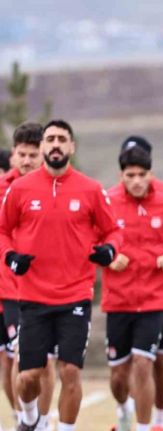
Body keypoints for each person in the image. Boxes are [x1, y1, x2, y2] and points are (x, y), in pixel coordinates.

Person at [0, 119, 123, 431]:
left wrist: (109, 250)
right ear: (43, 146)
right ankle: (29, 419)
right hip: (32, 296)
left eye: (62, 139)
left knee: (70, 371)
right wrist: (10, 256)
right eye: (50, 139)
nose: (56, 144)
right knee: (28, 376)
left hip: (75, 296)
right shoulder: (20, 189)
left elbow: (113, 230)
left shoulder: (90, 189)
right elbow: (2, 230)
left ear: (71, 147)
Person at [102, 146, 163, 431]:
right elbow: (92, 242)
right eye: (131, 175)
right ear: (121, 176)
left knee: (144, 363)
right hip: (118, 300)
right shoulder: (107, 202)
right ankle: (123, 409)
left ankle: (145, 427)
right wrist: (109, 258)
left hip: (154, 300)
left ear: (151, 174)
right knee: (118, 376)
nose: (137, 181)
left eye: (142, 174)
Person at [0, 123, 56, 430]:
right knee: (14, 358)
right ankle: (22, 418)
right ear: (13, 155)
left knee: (44, 360)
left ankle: (41, 422)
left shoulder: (56, 187)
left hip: (49, 289)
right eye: (21, 154)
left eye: (33, 155)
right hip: (10, 289)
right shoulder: (3, 188)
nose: (26, 161)